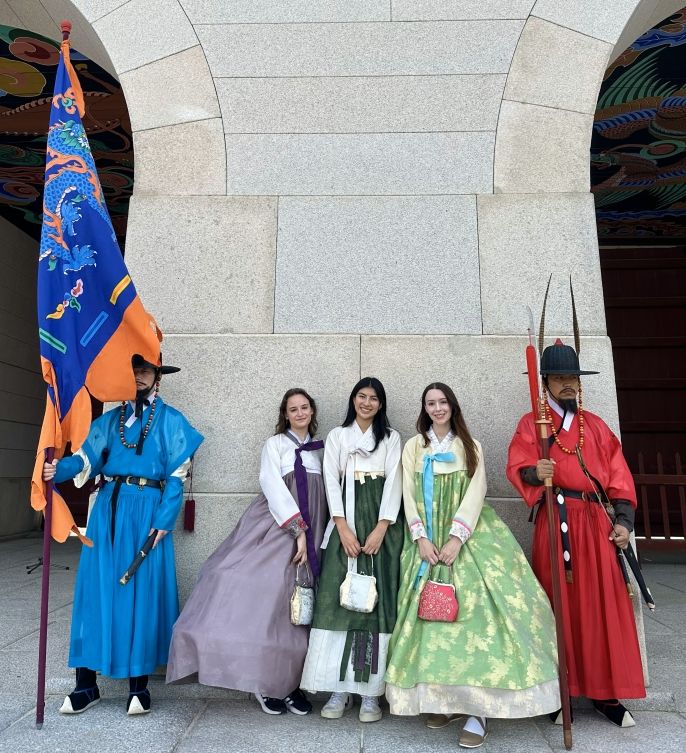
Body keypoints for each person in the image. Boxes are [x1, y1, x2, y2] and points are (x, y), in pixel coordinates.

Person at [385, 383, 560, 748]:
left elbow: (476, 492)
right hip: (427, 541)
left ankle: (478, 711)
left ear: (453, 405)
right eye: (430, 403)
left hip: (467, 537)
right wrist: (420, 537)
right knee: (430, 625)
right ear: (424, 409)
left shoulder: (471, 446)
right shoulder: (414, 447)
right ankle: (442, 700)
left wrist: (455, 538)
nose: (437, 408)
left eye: (443, 402)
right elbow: (409, 495)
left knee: (478, 620)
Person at [43, 354, 203, 715]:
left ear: (157, 377)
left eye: (145, 370)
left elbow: (176, 478)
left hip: (148, 511)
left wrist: (164, 521)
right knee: (96, 590)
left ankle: (138, 686)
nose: (138, 377)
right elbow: (84, 460)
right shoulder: (108, 421)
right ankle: (86, 683)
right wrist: (57, 467)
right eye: (132, 372)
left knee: (140, 594)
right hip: (108, 512)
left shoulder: (173, 421)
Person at [506, 338, 646, 727]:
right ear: (546, 381)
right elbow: (517, 466)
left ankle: (606, 693)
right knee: (558, 605)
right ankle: (560, 691)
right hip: (557, 519)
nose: (569, 384)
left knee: (603, 606)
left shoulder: (596, 426)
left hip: (596, 525)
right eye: (561, 377)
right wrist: (537, 472)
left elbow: (619, 476)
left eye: (574, 378)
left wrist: (622, 522)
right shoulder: (532, 424)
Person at [166, 388, 327, 716]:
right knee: (262, 599)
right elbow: (271, 482)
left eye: (304, 407)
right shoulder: (276, 445)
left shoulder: (322, 450)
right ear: (285, 414)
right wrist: (297, 530)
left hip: (316, 530)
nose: (299, 413)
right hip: (278, 526)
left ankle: (290, 683)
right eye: (292, 409)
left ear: (312, 411)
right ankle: (264, 683)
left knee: (296, 610)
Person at [301, 377, 403, 723]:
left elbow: (394, 482)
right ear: (353, 399)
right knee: (338, 599)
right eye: (362, 396)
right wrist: (342, 526)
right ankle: (338, 688)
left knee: (375, 605)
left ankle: (370, 693)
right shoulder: (337, 436)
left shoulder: (390, 438)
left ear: (381, 403)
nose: (367, 403)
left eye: (374, 398)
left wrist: (381, 527)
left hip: (379, 524)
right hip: (345, 519)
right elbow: (331, 479)